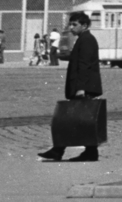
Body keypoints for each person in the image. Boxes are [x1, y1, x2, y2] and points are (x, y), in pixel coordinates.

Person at [38, 12, 103, 162]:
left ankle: (61, 150)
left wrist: (81, 88)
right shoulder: (84, 39)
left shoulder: (87, 40)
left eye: (74, 24)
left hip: (83, 89)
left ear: (84, 26)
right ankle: (84, 152)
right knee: (78, 120)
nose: (71, 27)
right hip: (83, 88)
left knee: (70, 120)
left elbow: (84, 65)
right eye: (70, 24)